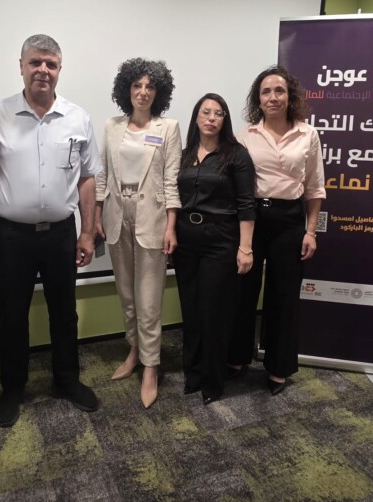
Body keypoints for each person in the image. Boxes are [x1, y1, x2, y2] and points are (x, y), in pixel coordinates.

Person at [0, 34, 102, 428]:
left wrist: (87, 232)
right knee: (12, 314)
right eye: (35, 62)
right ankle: (12, 389)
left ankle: (66, 380)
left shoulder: (78, 118)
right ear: (22, 66)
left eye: (51, 64)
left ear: (59, 69)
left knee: (64, 312)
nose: (43, 70)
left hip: (61, 234)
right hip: (12, 237)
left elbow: (88, 178)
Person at [227, 65, 325, 395]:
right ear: (258, 99)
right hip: (251, 219)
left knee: (284, 296)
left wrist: (311, 231)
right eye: (266, 92)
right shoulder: (245, 136)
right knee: (243, 291)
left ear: (290, 95)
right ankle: (237, 357)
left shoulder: (308, 134)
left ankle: (278, 367)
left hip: (290, 221)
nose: (273, 97)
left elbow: (315, 188)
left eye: (279, 90)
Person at [94, 58, 181, 409]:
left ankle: (151, 365)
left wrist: (172, 226)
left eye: (150, 86)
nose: (143, 92)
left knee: (148, 299)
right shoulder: (112, 126)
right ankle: (134, 350)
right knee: (127, 294)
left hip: (152, 219)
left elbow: (171, 180)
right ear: (126, 89)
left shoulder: (168, 128)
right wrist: (97, 216)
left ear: (159, 93)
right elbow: (102, 175)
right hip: (117, 215)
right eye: (136, 85)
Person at [173, 93, 255, 405]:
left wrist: (245, 248)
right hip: (186, 239)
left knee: (213, 311)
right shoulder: (183, 155)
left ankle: (212, 380)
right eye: (205, 112)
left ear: (225, 120)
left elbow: (246, 204)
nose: (211, 118)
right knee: (190, 309)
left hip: (220, 239)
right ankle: (193, 373)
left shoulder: (236, 155)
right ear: (196, 117)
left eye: (218, 113)